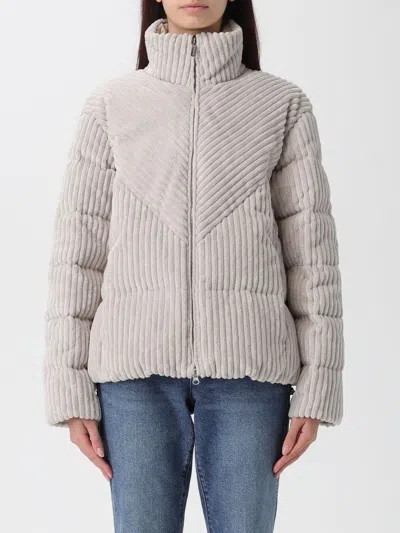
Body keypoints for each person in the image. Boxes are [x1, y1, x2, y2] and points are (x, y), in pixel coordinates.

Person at [42, 1, 345, 532]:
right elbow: (77, 255)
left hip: (251, 372)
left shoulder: (282, 105)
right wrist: (69, 390)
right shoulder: (111, 105)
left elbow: (311, 257)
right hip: (134, 374)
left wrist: (319, 386)